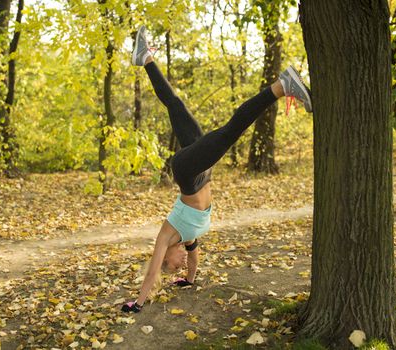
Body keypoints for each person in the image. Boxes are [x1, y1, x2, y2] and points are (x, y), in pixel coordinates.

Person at [122, 26, 312, 313]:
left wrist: (137, 303)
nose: (179, 265)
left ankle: (281, 86)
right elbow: (194, 263)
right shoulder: (188, 240)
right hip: (200, 172)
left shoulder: (166, 237)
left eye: (173, 267)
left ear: (165, 257)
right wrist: (188, 279)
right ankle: (145, 58)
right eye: (179, 268)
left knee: (230, 130)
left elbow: (152, 274)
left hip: (187, 172)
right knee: (176, 106)